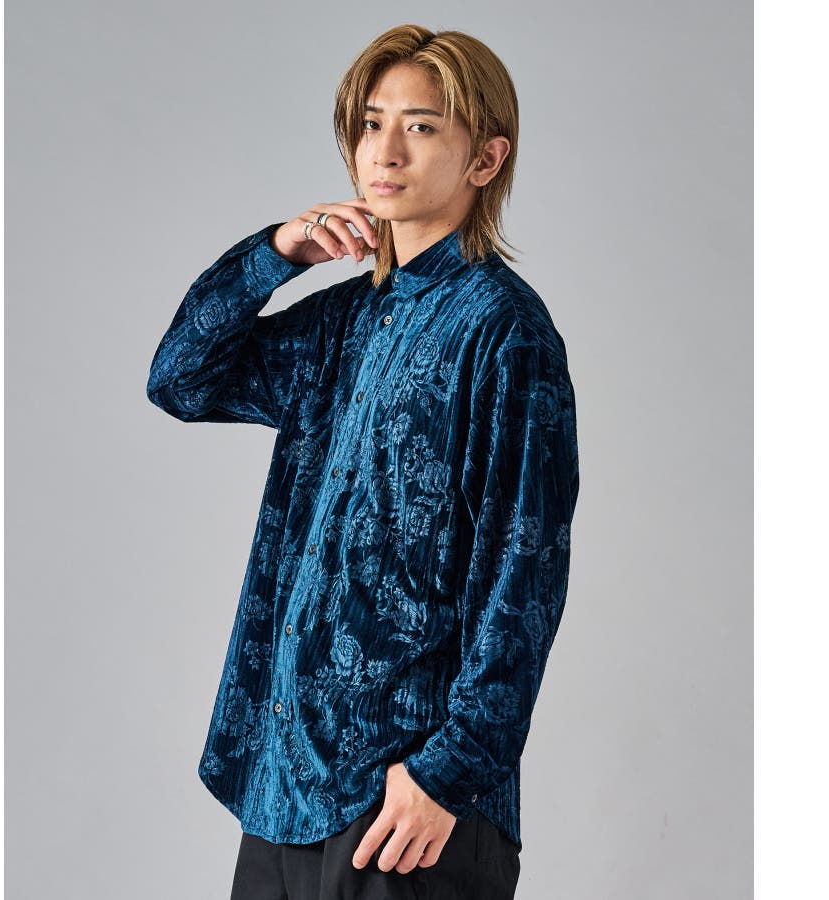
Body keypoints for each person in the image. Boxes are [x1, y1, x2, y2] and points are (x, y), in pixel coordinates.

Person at [146, 23, 580, 900]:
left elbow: (525, 570)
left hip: (404, 806)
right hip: (283, 786)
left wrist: (447, 775)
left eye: (421, 126)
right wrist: (276, 255)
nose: (384, 150)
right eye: (371, 123)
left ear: (486, 159)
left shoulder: (504, 333)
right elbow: (181, 379)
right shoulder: (344, 320)